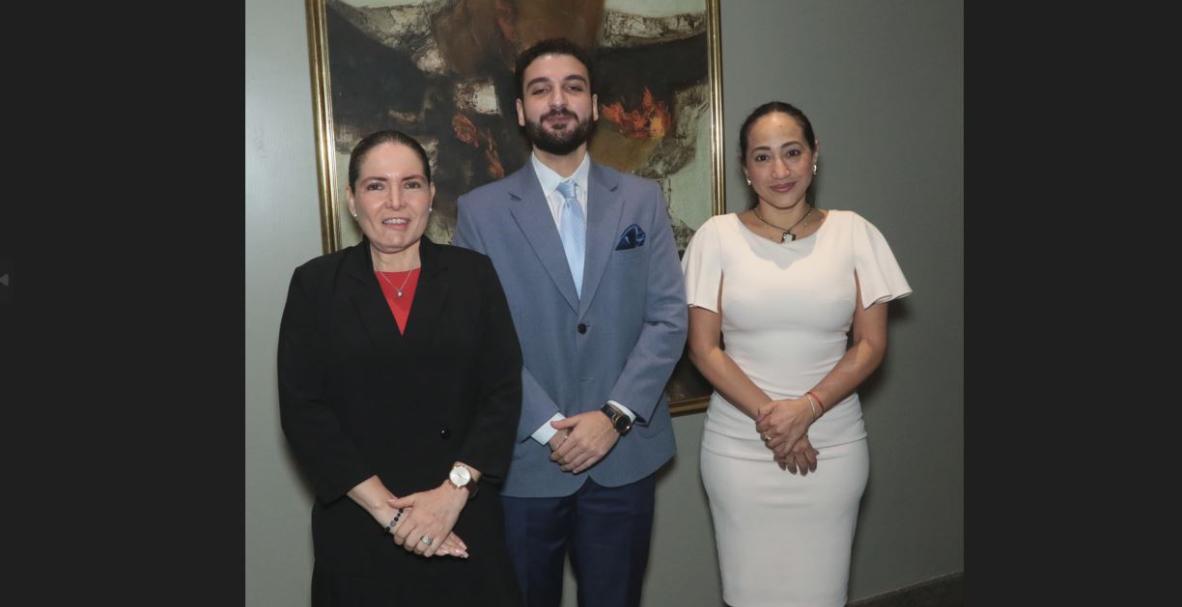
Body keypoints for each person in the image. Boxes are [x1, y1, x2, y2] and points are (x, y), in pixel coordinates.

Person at [452, 38, 688, 607]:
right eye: (541, 90)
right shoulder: (480, 213)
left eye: (572, 88)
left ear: (595, 103)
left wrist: (613, 418)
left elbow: (668, 317)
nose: (557, 101)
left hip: (624, 457)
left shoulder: (642, 200)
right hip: (527, 460)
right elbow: (476, 337)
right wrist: (547, 424)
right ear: (519, 111)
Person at [278, 129, 524, 606]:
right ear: (352, 200)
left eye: (411, 184)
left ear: (431, 197)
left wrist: (452, 494)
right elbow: (305, 414)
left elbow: (502, 392)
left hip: (462, 518)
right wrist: (395, 518)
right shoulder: (314, 285)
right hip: (359, 524)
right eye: (376, 185)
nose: (396, 201)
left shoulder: (474, 275)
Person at [682, 101, 912, 607]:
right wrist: (777, 421)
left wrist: (805, 408)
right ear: (744, 167)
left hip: (831, 450)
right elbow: (703, 349)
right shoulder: (714, 238)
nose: (779, 170)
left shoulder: (856, 233)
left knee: (822, 594)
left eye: (792, 152)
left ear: (814, 156)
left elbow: (871, 345)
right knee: (747, 595)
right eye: (762, 157)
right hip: (739, 452)